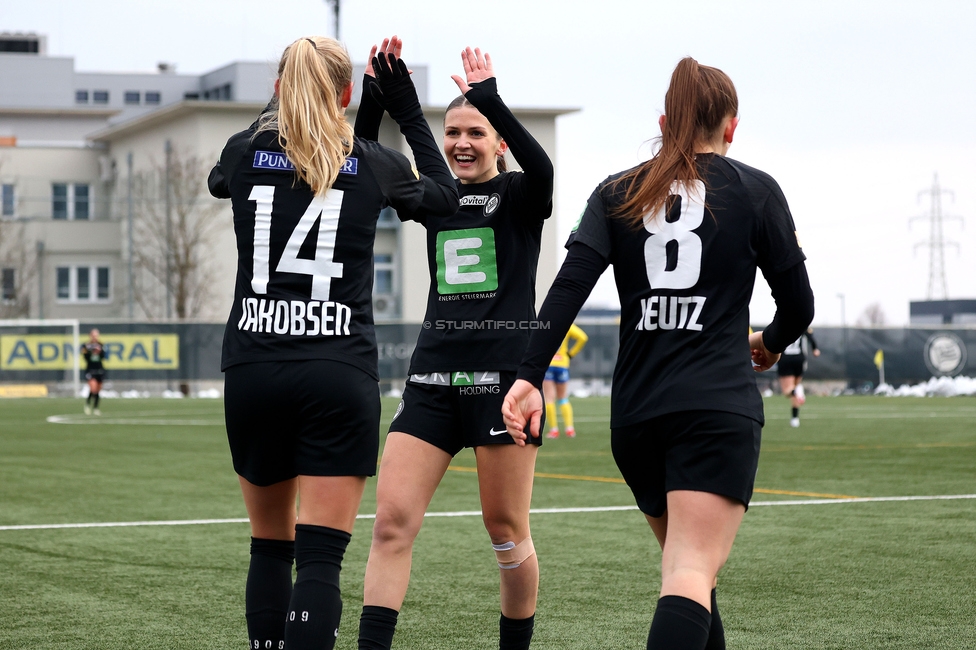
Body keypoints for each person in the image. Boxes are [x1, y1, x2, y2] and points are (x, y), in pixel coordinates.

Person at [503, 57, 814, 650]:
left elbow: (568, 286)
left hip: (638, 414)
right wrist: (770, 344)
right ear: (731, 128)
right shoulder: (754, 189)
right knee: (692, 572)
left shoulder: (617, 190)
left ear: (666, 120)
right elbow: (799, 305)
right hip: (714, 407)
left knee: (691, 575)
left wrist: (528, 375)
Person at [207, 36, 458, 650]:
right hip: (337, 371)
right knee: (320, 558)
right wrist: (405, 107)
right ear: (346, 94)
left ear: (280, 87)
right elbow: (448, 201)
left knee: (269, 544)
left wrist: (280, 102)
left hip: (254, 368)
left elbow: (222, 178)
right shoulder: (373, 160)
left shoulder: (245, 152)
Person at [355, 47, 553, 650]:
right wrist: (373, 95)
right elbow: (359, 161)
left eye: (476, 132)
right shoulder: (434, 196)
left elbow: (542, 168)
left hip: (502, 389)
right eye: (453, 133)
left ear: (499, 144)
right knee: (390, 523)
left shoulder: (520, 196)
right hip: (432, 384)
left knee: (505, 530)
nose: (462, 143)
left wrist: (490, 96)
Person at [543, 322, 588, 438]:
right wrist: (571, 354)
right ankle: (569, 429)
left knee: (549, 398)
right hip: (562, 364)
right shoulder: (566, 324)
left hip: (548, 364)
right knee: (563, 398)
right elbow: (583, 338)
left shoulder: (545, 323)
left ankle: (553, 430)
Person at [778, 327, 820, 427]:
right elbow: (811, 337)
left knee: (788, 392)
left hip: (786, 359)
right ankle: (795, 419)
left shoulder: (780, 323)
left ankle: (797, 391)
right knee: (795, 390)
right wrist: (815, 349)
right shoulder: (802, 323)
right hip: (799, 359)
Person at [81, 328, 105, 415]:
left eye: (96, 335)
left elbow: (104, 356)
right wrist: (90, 352)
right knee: (93, 389)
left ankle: (96, 408)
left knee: (98, 390)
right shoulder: (86, 345)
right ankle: (87, 404)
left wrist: (99, 352)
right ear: (90, 335)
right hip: (90, 369)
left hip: (99, 369)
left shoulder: (101, 345)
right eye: (93, 335)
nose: (95, 337)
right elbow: (84, 356)